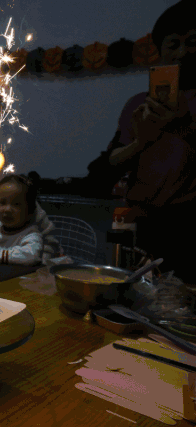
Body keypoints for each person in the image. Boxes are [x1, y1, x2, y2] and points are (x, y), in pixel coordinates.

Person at [106, 0, 196, 283]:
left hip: (189, 224)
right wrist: (142, 141)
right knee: (138, 292)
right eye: (173, 44)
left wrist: (184, 127)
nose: (183, 52)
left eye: (192, 42)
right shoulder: (138, 104)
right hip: (141, 222)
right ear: (161, 51)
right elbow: (112, 162)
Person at [0, 175, 60, 266]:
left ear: (30, 210)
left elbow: (32, 256)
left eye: (16, 204)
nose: (7, 209)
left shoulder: (31, 234)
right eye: (2, 203)